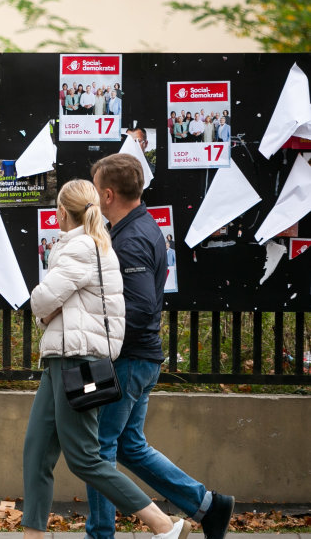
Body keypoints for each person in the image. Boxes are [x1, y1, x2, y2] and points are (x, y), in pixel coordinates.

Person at [23, 178, 187, 539]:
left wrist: (48, 309)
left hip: (79, 362)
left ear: (62, 211)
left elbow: (40, 301)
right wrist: (50, 309)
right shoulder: (94, 244)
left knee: (85, 457)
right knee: (36, 454)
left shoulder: (80, 247)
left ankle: (163, 525)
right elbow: (52, 305)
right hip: (60, 361)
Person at [87, 153, 235, 539]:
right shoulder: (142, 227)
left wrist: (101, 340)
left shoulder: (132, 238)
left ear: (106, 194)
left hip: (128, 359)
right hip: (139, 359)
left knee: (98, 450)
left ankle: (99, 534)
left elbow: (138, 307)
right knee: (129, 446)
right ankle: (208, 506)